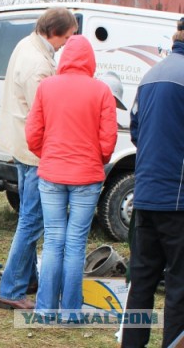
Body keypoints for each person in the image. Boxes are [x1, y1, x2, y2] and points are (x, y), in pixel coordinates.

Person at [25, 35, 118, 314]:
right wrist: (96, 159)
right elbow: (108, 141)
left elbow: (32, 135)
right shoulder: (102, 91)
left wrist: (49, 155)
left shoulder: (47, 87)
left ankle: (44, 309)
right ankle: (71, 311)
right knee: (76, 242)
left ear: (64, 58)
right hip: (87, 176)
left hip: (52, 173)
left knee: (53, 239)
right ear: (90, 60)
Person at [0, 7, 78, 310]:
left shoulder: (27, 45)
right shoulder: (38, 66)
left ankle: (27, 277)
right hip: (33, 151)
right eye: (66, 37)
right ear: (53, 31)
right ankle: (12, 290)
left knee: (28, 216)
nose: (66, 44)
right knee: (32, 220)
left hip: (21, 143)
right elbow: (44, 111)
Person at [121, 18, 184, 348]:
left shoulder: (150, 75)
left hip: (145, 193)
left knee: (142, 281)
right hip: (178, 200)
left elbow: (136, 132)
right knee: (179, 285)